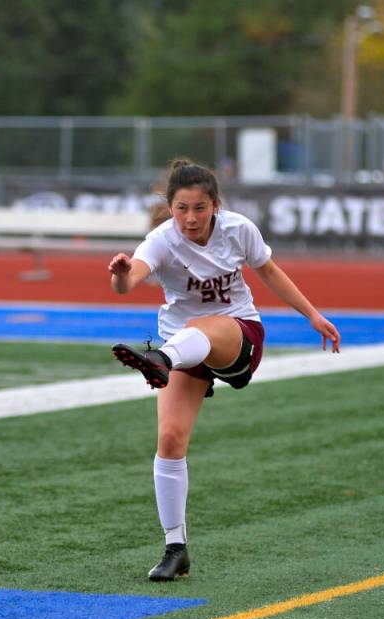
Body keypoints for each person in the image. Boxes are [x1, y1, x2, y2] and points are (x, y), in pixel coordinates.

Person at [109, 158, 340, 582]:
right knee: (170, 438)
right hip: (184, 349)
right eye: (182, 209)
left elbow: (269, 270)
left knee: (199, 328)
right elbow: (130, 279)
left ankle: (161, 361)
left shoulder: (238, 229)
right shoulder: (161, 240)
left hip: (237, 336)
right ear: (170, 207)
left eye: (200, 208)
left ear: (215, 205)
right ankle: (175, 547)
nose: (191, 218)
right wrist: (122, 276)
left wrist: (312, 315)